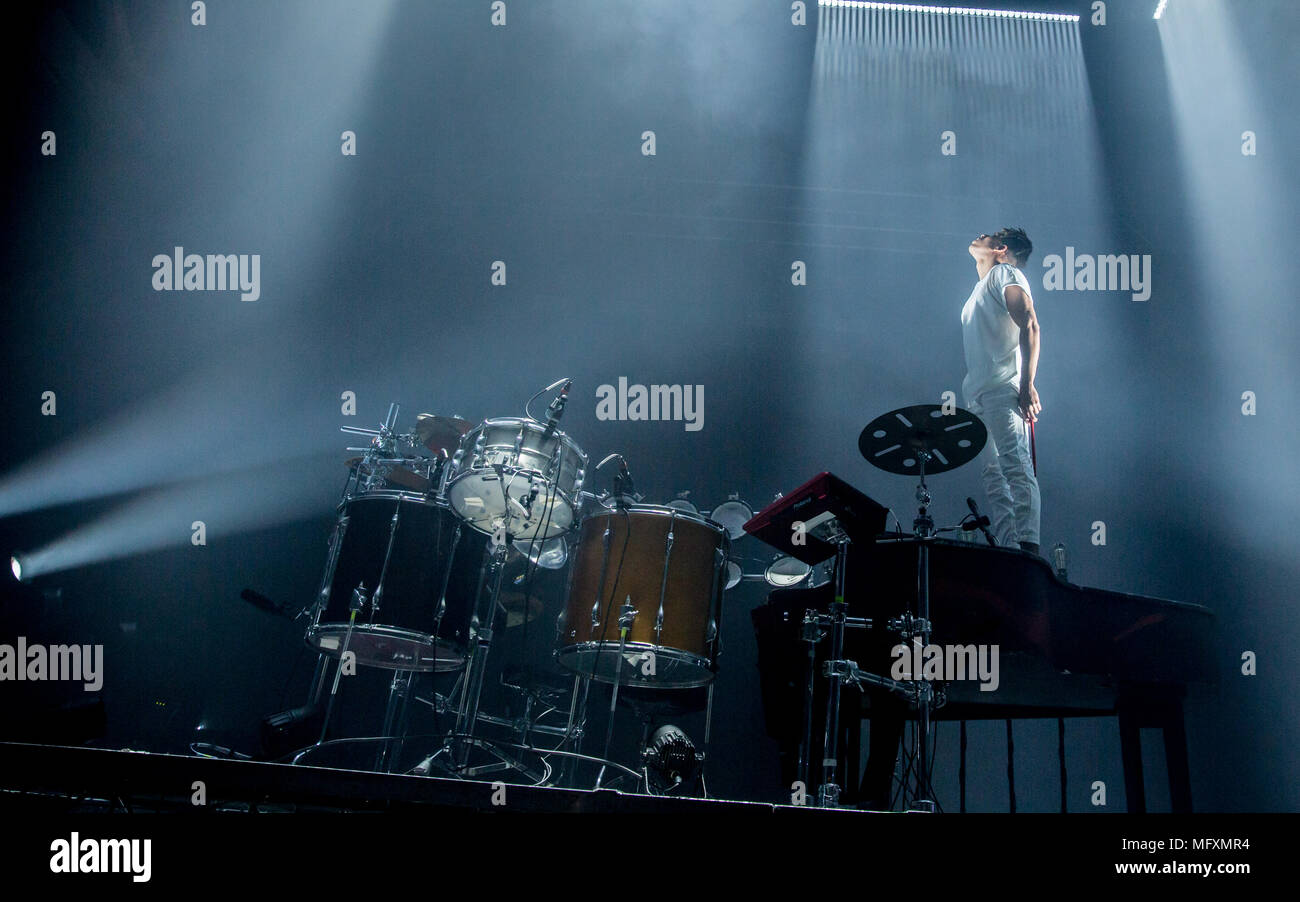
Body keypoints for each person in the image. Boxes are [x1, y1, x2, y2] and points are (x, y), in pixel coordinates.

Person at [961, 228, 1042, 556]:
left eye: (989, 236)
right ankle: (1010, 552)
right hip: (978, 395)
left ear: (1001, 249)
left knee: (1015, 465)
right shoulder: (977, 292)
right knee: (995, 477)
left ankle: (1029, 551)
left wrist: (1026, 385)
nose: (979, 235)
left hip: (1002, 389)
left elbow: (1031, 324)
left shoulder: (1005, 273)